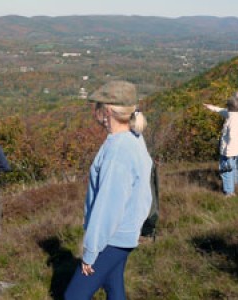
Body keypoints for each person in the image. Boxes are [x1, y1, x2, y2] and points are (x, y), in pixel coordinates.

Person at [64, 81, 153, 300]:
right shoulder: (133, 138)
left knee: (73, 296)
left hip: (112, 238)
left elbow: (108, 209)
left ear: (108, 111)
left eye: (97, 105)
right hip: (125, 234)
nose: (93, 110)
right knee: (114, 288)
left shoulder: (118, 152)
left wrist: (91, 253)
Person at [203, 95, 238, 197]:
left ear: (230, 108)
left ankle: (229, 193)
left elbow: (232, 138)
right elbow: (222, 111)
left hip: (229, 151)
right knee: (231, 170)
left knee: (226, 172)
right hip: (237, 150)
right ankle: (232, 189)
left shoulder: (231, 120)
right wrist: (210, 107)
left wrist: (227, 154)